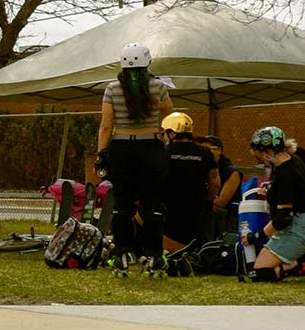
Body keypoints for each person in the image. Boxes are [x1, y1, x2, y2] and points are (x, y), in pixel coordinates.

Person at [95, 43, 174, 271]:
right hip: (151, 147)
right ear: (148, 62)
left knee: (122, 203)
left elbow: (106, 125)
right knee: (153, 204)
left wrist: (101, 153)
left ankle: (123, 252)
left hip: (122, 147)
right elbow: (170, 113)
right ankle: (153, 254)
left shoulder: (112, 89)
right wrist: (160, 130)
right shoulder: (158, 86)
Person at [249, 126, 305, 280]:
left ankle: (295, 265)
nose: (259, 159)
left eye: (259, 155)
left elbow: (283, 218)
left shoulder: (285, 172)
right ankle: (293, 264)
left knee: (257, 274)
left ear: (268, 151)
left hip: (297, 231)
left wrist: (256, 236)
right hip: (304, 226)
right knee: (256, 270)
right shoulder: (292, 161)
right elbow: (298, 191)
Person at [160, 113, 219, 254]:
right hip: (196, 208)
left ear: (172, 133)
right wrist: (207, 203)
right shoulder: (205, 153)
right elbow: (215, 182)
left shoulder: (164, 153)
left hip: (169, 208)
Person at [199, 136, 242, 238]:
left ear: (219, 151)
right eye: (202, 149)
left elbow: (221, 202)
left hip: (228, 217)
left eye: (209, 149)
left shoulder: (232, 173)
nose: (205, 152)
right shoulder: (201, 169)